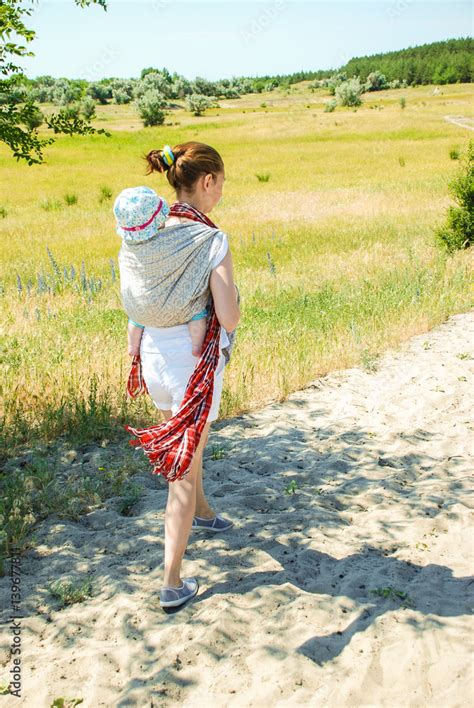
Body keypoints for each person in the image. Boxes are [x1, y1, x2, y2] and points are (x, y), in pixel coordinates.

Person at [117, 142, 240, 609]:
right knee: (180, 478)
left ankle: (205, 514)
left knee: (190, 454)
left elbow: (135, 300)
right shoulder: (211, 240)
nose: (221, 193)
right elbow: (228, 318)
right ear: (207, 182)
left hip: (153, 362)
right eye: (221, 184)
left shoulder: (141, 233)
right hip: (194, 370)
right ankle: (171, 584)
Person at [113, 186, 209, 359]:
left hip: (139, 308)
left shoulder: (128, 247)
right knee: (198, 314)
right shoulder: (170, 240)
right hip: (177, 310)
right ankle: (196, 346)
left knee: (134, 321)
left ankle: (132, 347)